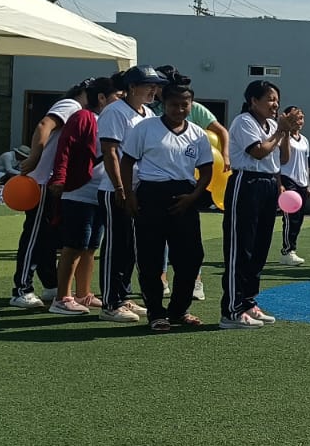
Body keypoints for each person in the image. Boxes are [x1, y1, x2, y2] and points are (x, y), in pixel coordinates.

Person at [122, 82, 213, 331]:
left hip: (185, 197)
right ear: (164, 104)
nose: (179, 109)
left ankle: (179, 310)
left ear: (191, 105)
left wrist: (193, 196)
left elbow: (206, 170)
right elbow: (127, 161)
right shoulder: (145, 128)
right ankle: (156, 313)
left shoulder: (198, 134)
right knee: (150, 258)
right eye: (174, 104)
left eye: (185, 105)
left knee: (191, 258)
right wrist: (129, 194)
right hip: (151, 195)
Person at [222, 80, 302, 328]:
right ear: (253, 101)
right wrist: (280, 132)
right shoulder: (244, 121)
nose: (275, 104)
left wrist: (285, 132)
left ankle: (249, 302)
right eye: (269, 99)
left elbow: (284, 158)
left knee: (260, 248)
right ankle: (232, 310)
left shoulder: (272, 125)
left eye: (276, 99)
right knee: (241, 247)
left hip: (268, 184)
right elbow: (258, 152)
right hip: (246, 182)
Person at [8, 82, 91, 310]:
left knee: (47, 236)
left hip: (52, 182)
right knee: (34, 235)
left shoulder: (81, 111)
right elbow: (44, 125)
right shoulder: (71, 105)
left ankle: (50, 284)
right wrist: (35, 157)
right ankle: (22, 289)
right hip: (42, 180)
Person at [96, 66, 168, 321]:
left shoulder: (148, 113)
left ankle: (123, 296)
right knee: (116, 246)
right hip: (115, 190)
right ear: (132, 87)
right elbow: (110, 152)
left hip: (139, 189)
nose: (153, 90)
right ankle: (110, 302)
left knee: (130, 248)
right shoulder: (115, 111)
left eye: (155, 85)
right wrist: (120, 188)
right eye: (148, 85)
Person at [46, 75, 121, 315]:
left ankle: (84, 293)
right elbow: (65, 147)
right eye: (117, 97)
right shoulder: (83, 117)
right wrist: (59, 177)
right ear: (101, 98)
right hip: (80, 191)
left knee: (91, 246)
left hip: (101, 191)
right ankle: (62, 297)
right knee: (74, 245)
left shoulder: (113, 120)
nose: (121, 102)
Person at [153, 66, 227, 301]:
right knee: (158, 240)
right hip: (156, 184)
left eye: (157, 85)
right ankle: (162, 280)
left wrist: (225, 156)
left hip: (189, 181)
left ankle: (195, 281)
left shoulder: (195, 110)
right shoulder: (150, 112)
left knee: (189, 241)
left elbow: (220, 132)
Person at [279, 105, 310, 266]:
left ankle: (292, 248)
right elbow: (279, 161)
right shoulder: (283, 137)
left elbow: (305, 163)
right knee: (290, 218)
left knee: (299, 219)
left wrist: (308, 185)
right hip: (288, 179)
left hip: (302, 183)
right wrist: (279, 184)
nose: (300, 122)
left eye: (301, 118)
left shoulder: (304, 140)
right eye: (296, 118)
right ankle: (287, 251)